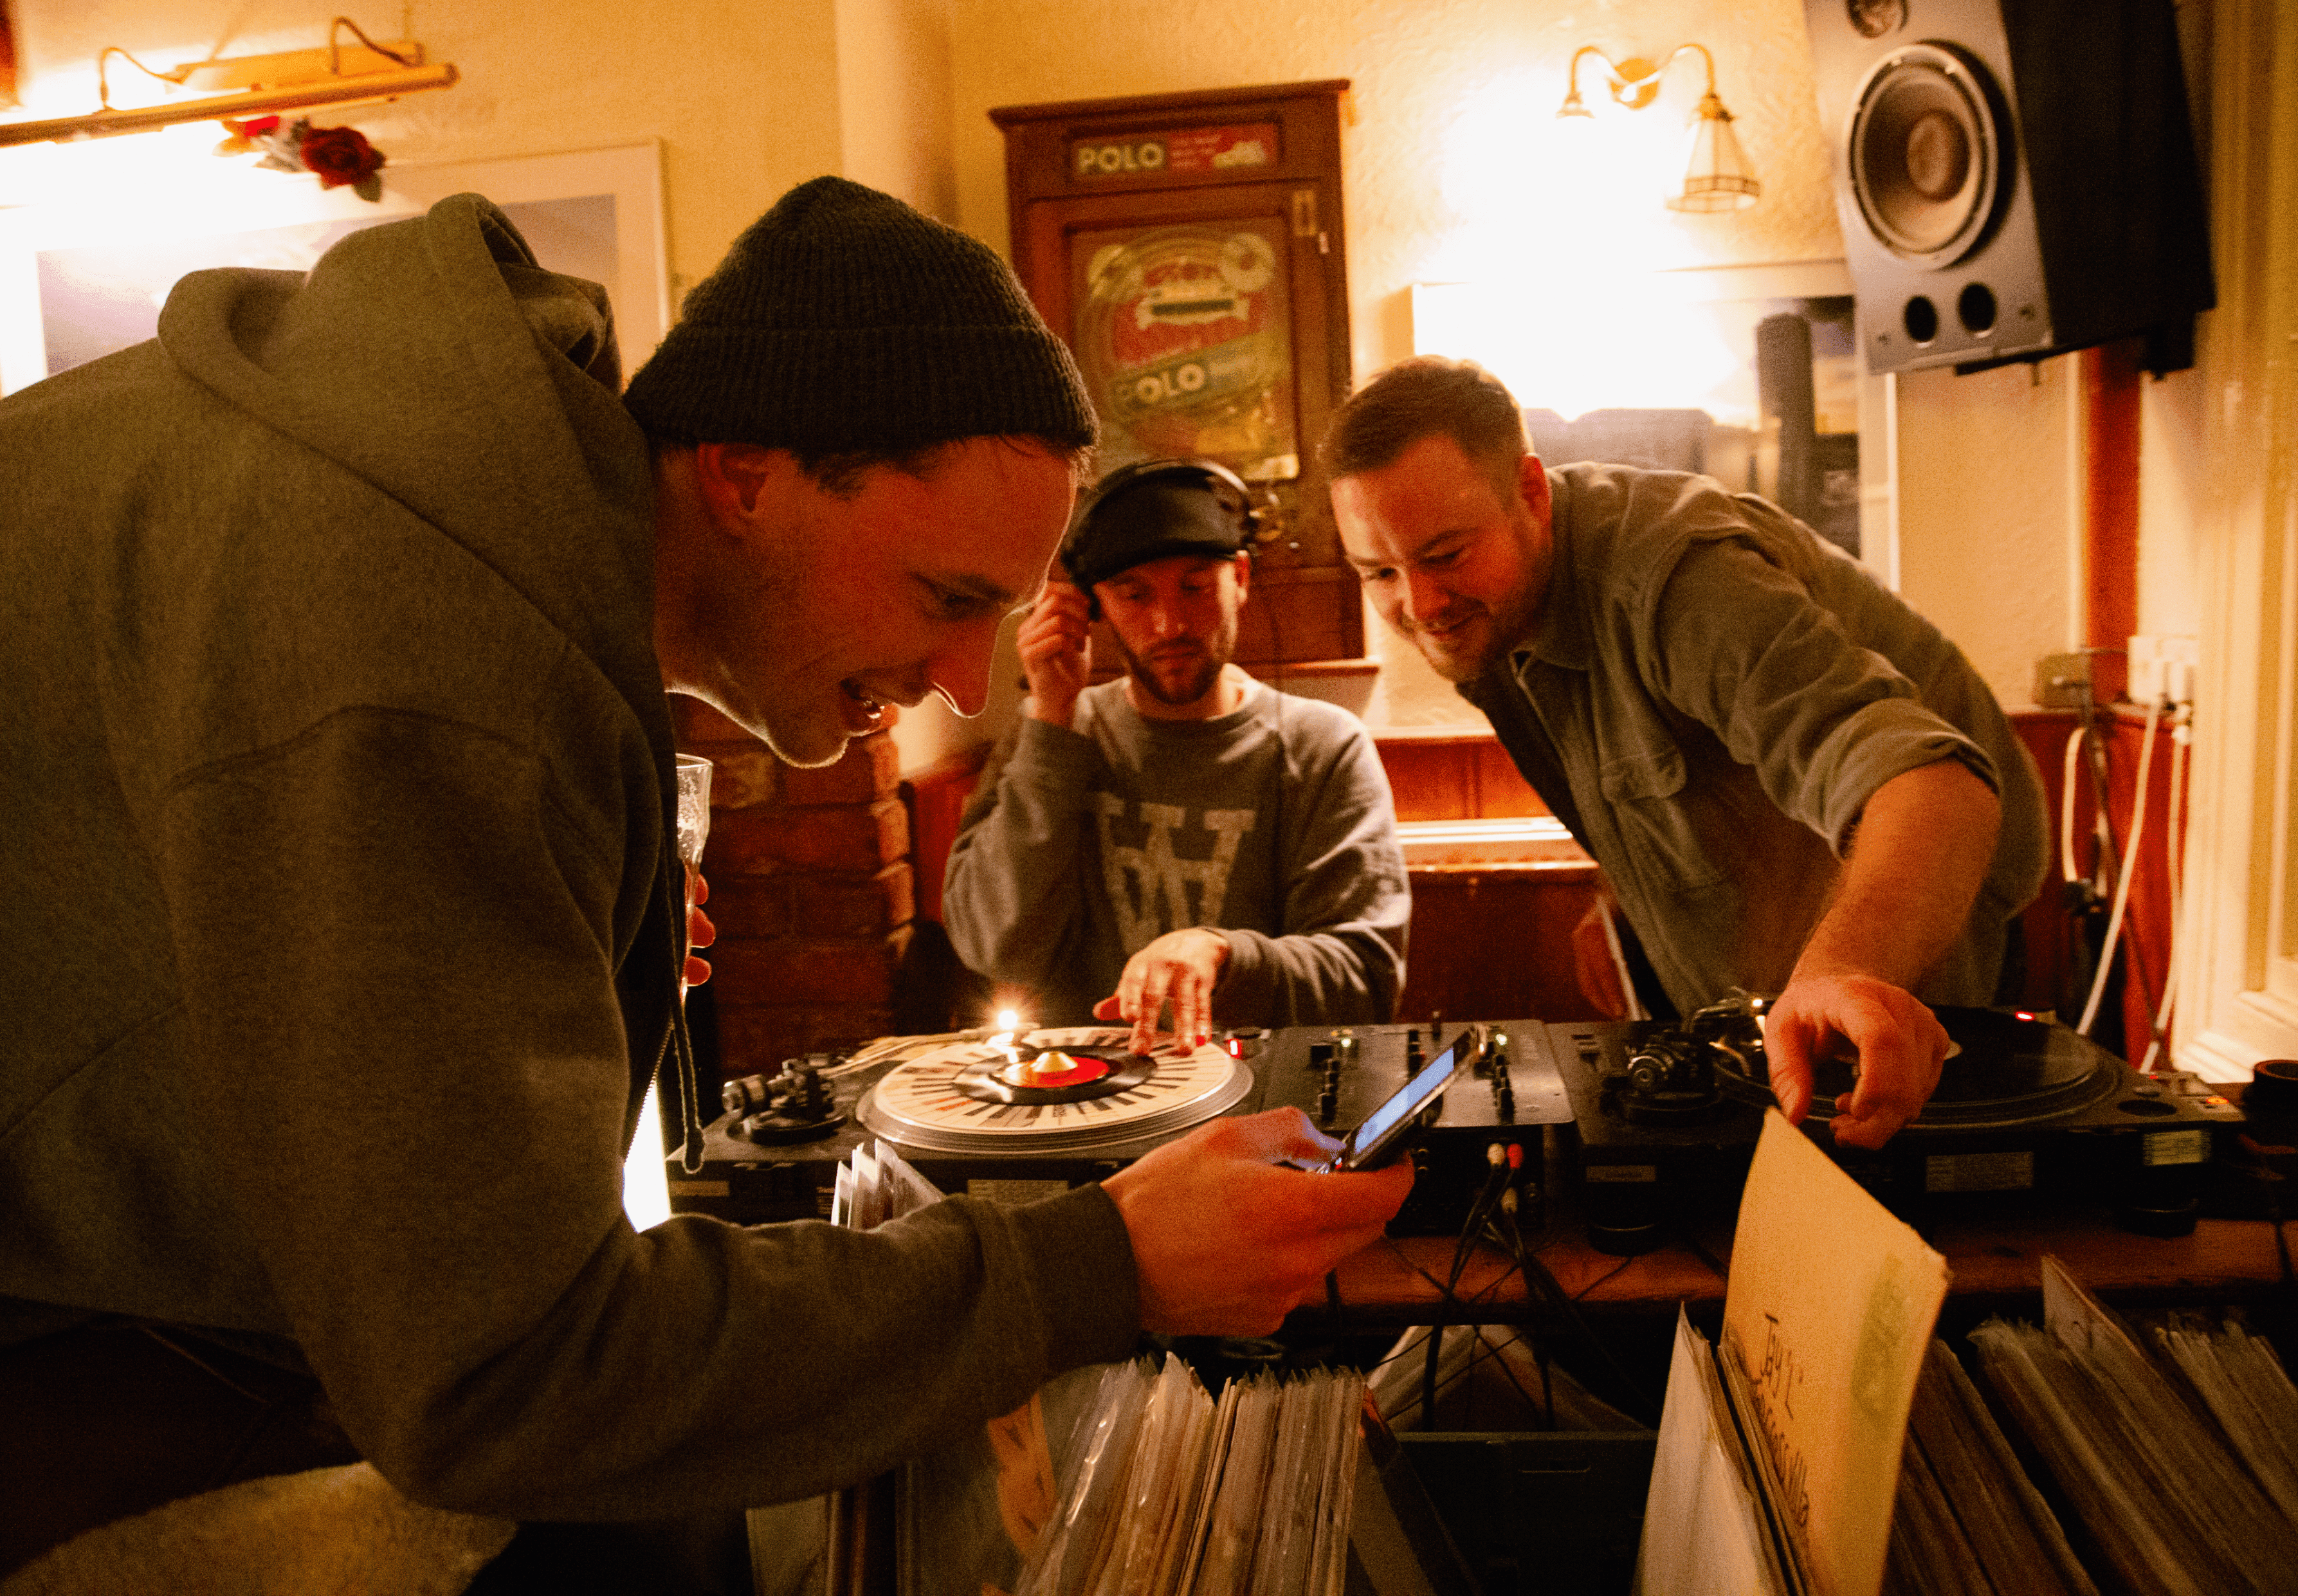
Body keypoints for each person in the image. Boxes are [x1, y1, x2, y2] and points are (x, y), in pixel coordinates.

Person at [0, 177, 1412, 1585]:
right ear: (745, 472)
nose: (959, 678)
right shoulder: (426, 645)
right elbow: (513, 1372)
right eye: (947, 596)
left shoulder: (468, 536)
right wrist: (1105, 1262)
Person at [1324, 357, 2048, 1150]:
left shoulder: (1682, 581)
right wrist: (1628, 899)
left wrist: (1845, 968)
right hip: (1764, 1019)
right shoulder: (1486, 613)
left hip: (1906, 984)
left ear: (1531, 491)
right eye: (1380, 572)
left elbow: (1936, 782)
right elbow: (1640, 751)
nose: (1420, 603)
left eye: (1445, 556)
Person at [944, 460, 1409, 1052]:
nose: (1170, 624)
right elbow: (994, 947)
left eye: (1195, 586)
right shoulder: (1047, 733)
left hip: (1258, 1105)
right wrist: (1052, 722)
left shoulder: (1326, 748)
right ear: (1092, 607)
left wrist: (1226, 955)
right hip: (1086, 1106)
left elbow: (1365, 983)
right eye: (1134, 594)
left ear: (1240, 577)